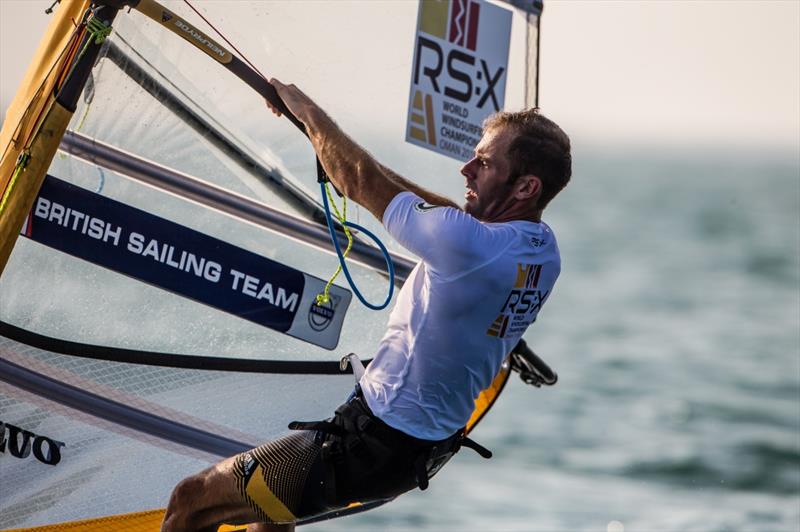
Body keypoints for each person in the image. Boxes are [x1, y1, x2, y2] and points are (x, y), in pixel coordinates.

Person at [161, 79, 571, 532]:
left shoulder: (468, 246)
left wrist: (308, 113)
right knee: (270, 513)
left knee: (190, 502)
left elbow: (358, 180)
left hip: (369, 442)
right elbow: (442, 214)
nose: (467, 169)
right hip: (421, 449)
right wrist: (354, 160)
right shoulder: (541, 250)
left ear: (525, 187)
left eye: (486, 164)